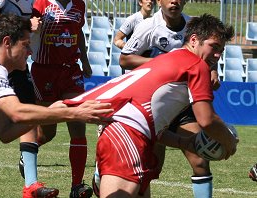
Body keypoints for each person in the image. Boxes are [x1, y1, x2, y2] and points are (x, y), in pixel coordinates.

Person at [63, 14, 237, 198]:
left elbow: (150, 120)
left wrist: (183, 142)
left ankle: (102, 174)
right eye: (214, 47)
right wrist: (229, 142)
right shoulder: (197, 66)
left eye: (221, 51)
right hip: (128, 137)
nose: (217, 55)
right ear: (194, 40)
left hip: (122, 134)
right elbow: (207, 120)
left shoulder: (170, 58)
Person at [0, 14, 113, 197]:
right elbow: (17, 113)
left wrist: (53, 112)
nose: (30, 51)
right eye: (25, 44)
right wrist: (74, 113)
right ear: (7, 43)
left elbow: (6, 133)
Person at [119, 0, 220, 197]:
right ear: (159, 1)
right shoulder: (148, 27)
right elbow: (125, 59)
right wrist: (165, 63)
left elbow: (207, 54)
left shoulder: (194, 25)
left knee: (200, 158)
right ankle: (103, 175)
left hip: (182, 103)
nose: (174, 0)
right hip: (155, 104)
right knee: (151, 168)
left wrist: (213, 70)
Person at [0, 0, 55, 197]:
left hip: (14, 62)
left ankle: (31, 184)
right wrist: (25, 24)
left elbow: (7, 134)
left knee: (28, 112)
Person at [29, 0, 94, 197]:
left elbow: (79, 32)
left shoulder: (79, 5)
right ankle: (28, 152)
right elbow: (30, 27)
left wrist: (84, 59)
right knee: (47, 133)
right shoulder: (41, 3)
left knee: (78, 122)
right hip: (44, 72)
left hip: (71, 71)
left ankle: (77, 186)